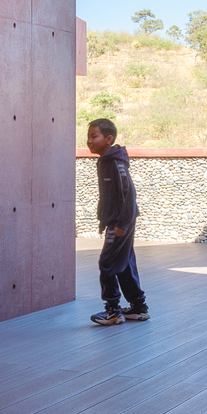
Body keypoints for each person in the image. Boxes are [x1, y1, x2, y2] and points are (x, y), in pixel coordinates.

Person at [87, 118, 147, 325]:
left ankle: (113, 311)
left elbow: (127, 193)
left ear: (108, 139)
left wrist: (121, 223)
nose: (89, 141)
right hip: (118, 220)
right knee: (124, 263)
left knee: (107, 263)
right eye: (88, 137)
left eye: (94, 136)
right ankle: (138, 308)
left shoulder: (115, 162)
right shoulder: (107, 161)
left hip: (121, 222)